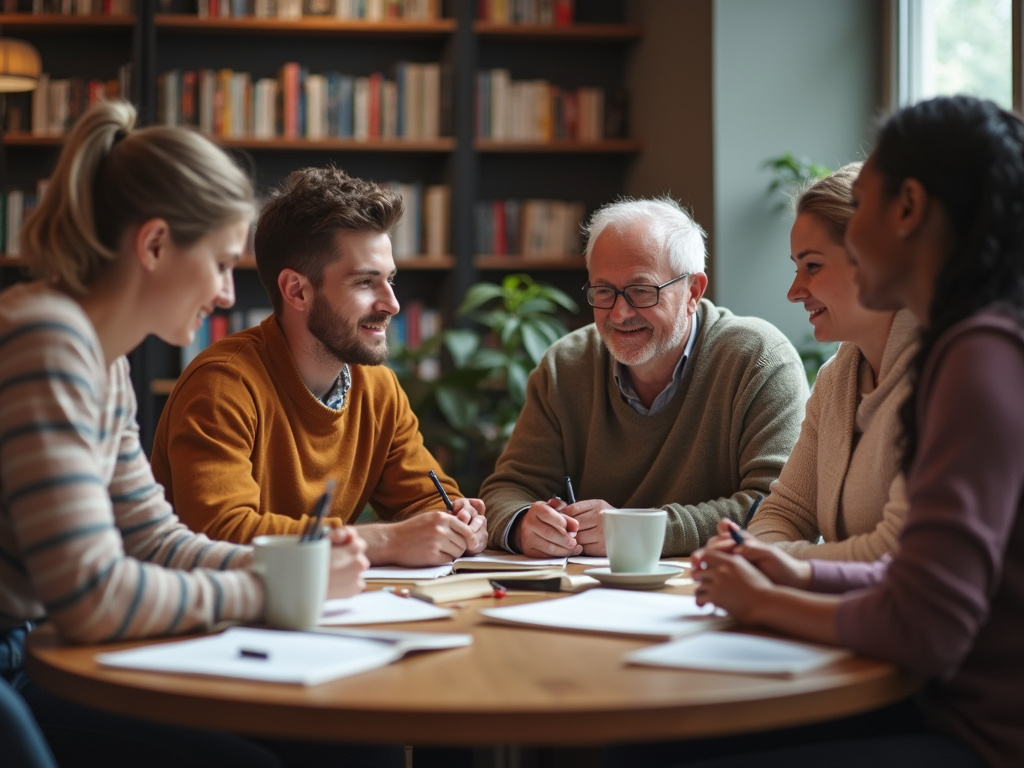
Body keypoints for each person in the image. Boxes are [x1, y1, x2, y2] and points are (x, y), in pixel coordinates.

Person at [0, 102, 392, 766]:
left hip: (41, 643)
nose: (224, 295)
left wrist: (294, 570)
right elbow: (94, 595)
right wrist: (273, 590)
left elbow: (152, 539)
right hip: (18, 663)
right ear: (153, 245)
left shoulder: (104, 358)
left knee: (345, 747)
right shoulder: (46, 341)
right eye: (217, 263)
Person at [692, 95, 1024, 767]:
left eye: (864, 196)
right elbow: (912, 577)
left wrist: (767, 602)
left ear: (907, 208)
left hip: (979, 732)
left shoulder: (979, 354)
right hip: (937, 699)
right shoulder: (965, 345)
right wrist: (792, 574)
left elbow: (925, 625)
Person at [150, 166, 486, 567]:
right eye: (365, 282)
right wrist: (383, 541)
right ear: (297, 290)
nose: (392, 304)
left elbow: (427, 499)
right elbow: (221, 531)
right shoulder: (222, 386)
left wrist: (458, 521)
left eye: (390, 280)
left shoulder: (379, 388)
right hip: (216, 617)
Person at [481, 196, 809, 557]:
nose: (619, 313)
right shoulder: (566, 365)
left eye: (641, 291)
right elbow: (507, 489)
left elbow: (777, 507)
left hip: (709, 591)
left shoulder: (758, 361)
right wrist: (524, 523)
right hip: (588, 595)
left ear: (693, 292)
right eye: (604, 291)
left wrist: (638, 531)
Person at [746, 163, 919, 560]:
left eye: (812, 266)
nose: (794, 291)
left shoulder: (942, 374)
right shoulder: (837, 378)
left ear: (873, 258)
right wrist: (758, 556)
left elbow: (898, 551)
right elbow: (785, 511)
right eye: (796, 268)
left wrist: (774, 563)